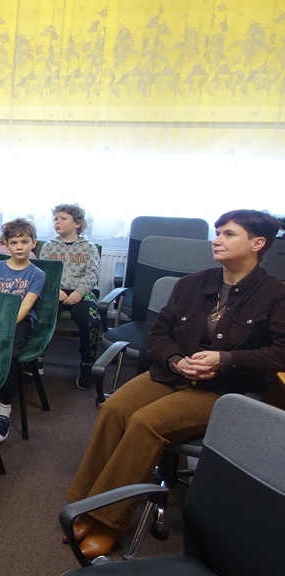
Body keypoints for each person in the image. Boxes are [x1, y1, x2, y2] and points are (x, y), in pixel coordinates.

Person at [65, 210, 285, 560]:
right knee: (114, 409)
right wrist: (176, 360)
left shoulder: (275, 294)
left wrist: (224, 358)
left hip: (221, 389)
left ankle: (107, 522)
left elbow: (281, 352)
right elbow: (158, 335)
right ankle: (84, 504)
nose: (217, 240)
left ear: (257, 243)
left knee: (145, 423)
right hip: (172, 373)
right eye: (217, 232)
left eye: (229, 234)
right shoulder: (192, 284)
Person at [0, 218, 45, 444]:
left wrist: (5, 326)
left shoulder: (37, 274)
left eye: (24, 242)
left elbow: (26, 306)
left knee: (8, 353)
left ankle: (4, 410)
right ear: (6, 245)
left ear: (33, 243)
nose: (19, 247)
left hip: (20, 321)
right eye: (14, 242)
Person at [38, 204, 101, 389]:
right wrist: (55, 289)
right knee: (41, 314)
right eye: (55, 219)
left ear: (77, 223)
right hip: (55, 290)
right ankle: (36, 357)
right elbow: (43, 271)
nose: (57, 222)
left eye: (63, 219)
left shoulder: (89, 248)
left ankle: (87, 363)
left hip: (82, 291)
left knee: (89, 319)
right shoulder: (49, 246)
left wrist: (78, 292)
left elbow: (92, 274)